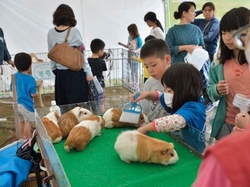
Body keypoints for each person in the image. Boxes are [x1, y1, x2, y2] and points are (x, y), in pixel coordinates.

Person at [133, 63, 206, 152]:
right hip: (179, 146)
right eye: (165, 89)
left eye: (169, 90)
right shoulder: (179, 99)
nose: (166, 93)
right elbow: (160, 96)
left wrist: (144, 128)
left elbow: (174, 121)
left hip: (193, 153)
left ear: (184, 89)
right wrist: (147, 94)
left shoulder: (194, 108)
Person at [207, 7, 250, 140]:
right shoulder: (219, 61)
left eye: (232, 32)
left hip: (247, 125)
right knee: (225, 159)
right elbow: (210, 91)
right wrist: (217, 90)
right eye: (223, 32)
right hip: (226, 124)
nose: (226, 38)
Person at [165, 1, 212, 111]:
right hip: (179, 69)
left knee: (194, 94)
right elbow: (168, 48)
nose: (195, 14)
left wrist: (198, 49)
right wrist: (185, 47)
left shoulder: (196, 29)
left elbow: (202, 46)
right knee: (180, 94)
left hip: (195, 69)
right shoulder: (172, 31)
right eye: (193, 11)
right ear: (184, 13)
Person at [47, 4, 93, 111]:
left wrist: (55, 70)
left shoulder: (51, 33)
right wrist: (88, 73)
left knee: (63, 108)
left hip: (60, 75)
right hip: (75, 74)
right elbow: (82, 55)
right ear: (71, 16)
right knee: (78, 109)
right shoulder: (74, 31)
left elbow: (51, 54)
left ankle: (65, 127)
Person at [137, 38, 171, 121]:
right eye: (146, 66)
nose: (150, 70)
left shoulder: (181, 80)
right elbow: (144, 111)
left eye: (153, 65)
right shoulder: (149, 83)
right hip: (152, 128)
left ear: (167, 59)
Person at [11, 53, 37, 139]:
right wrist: (35, 94)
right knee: (28, 122)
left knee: (20, 121)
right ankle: (28, 139)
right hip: (26, 105)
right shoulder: (31, 79)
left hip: (16, 104)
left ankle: (21, 137)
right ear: (29, 65)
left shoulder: (14, 76)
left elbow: (12, 89)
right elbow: (32, 94)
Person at [118, 23, 143, 91]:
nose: (129, 33)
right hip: (129, 56)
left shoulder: (138, 39)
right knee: (132, 71)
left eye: (130, 31)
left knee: (136, 71)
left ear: (133, 31)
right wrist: (121, 44)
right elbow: (128, 46)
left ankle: (136, 85)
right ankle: (133, 84)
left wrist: (135, 51)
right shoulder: (129, 37)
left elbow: (141, 47)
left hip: (136, 57)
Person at [88, 38, 107, 113]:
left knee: (91, 101)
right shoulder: (102, 62)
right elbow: (102, 74)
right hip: (99, 84)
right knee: (101, 102)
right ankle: (102, 115)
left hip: (90, 84)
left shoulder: (87, 61)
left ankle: (93, 115)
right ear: (100, 51)